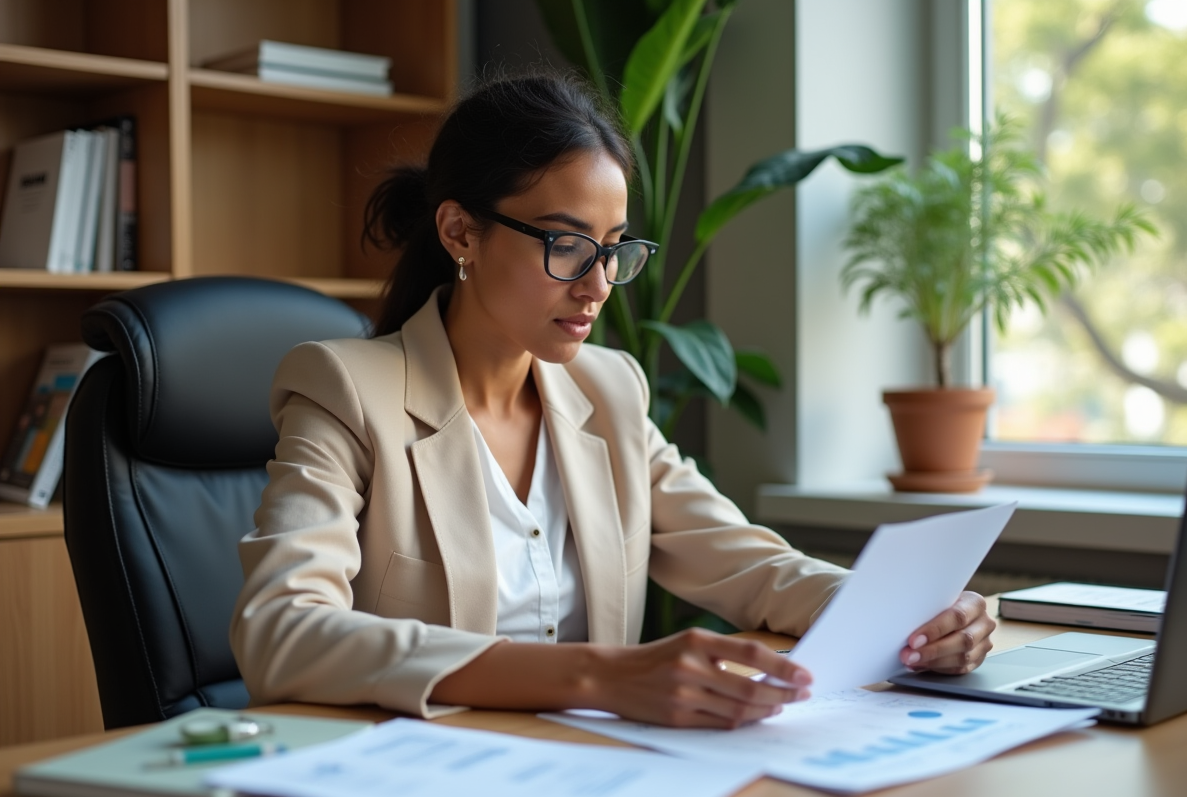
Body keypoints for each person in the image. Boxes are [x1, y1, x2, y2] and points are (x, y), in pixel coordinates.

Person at [230, 71, 996, 729]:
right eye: (566, 245)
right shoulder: (345, 389)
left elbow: (754, 569)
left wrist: (911, 614)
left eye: (614, 247)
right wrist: (600, 678)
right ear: (461, 231)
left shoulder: (608, 390)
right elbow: (282, 633)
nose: (597, 284)